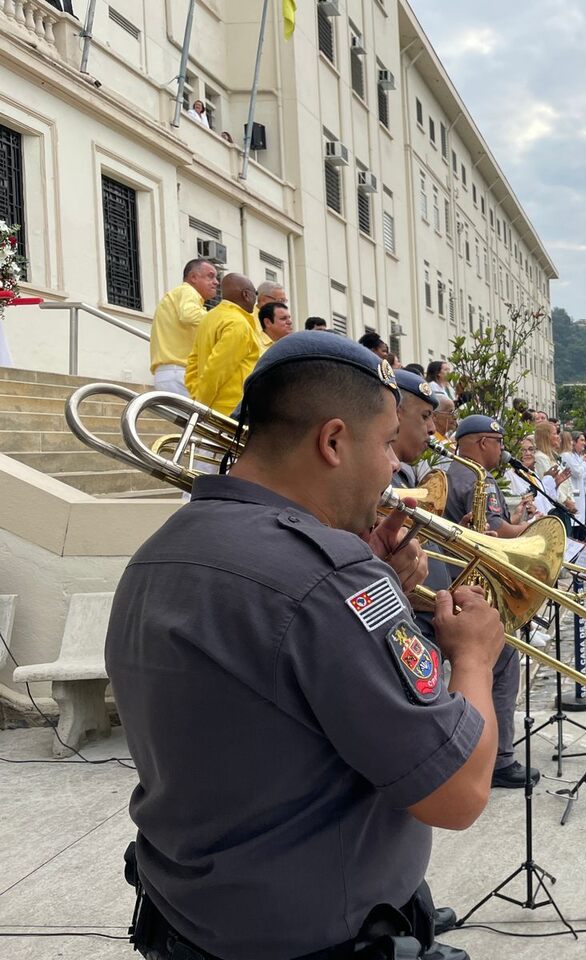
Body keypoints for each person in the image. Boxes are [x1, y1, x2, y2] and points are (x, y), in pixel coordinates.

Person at [106, 332, 505, 959]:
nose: (391, 470)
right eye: (385, 444)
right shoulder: (332, 575)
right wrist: (474, 656)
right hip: (318, 939)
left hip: (192, 919)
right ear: (333, 441)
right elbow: (458, 794)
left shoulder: (159, 550)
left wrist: (376, 590)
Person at [442, 414, 539, 790]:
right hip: (473, 590)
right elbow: (499, 532)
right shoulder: (476, 478)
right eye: (498, 442)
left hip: (456, 584)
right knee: (503, 667)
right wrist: (538, 533)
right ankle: (499, 759)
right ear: (483, 443)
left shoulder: (450, 473)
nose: (502, 449)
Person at [184, 272, 261, 416]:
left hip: (211, 406)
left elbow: (192, 363)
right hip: (229, 410)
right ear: (246, 295)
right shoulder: (238, 324)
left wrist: (196, 395)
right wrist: (201, 405)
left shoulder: (209, 317)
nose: (255, 300)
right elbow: (216, 369)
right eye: (255, 293)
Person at [151, 258, 218, 396]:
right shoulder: (188, 291)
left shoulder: (178, 296)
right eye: (210, 276)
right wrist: (222, 319)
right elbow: (189, 315)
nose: (216, 282)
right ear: (193, 277)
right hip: (180, 373)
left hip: (171, 373)